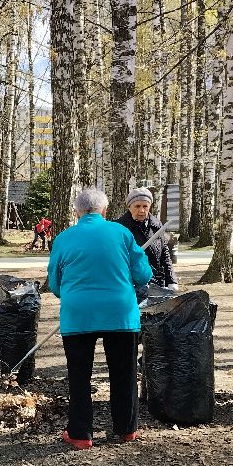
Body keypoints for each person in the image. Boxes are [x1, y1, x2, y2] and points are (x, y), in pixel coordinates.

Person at [47, 187, 152, 450]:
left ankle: (80, 434)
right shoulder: (122, 233)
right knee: (124, 372)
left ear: (77, 212)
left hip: (78, 314)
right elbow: (143, 275)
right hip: (120, 313)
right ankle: (126, 429)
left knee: (79, 376)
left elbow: (55, 283)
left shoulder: (63, 238)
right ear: (104, 210)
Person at [115, 188, 177, 296]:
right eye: (137, 206)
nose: (142, 210)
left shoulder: (157, 225)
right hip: (131, 287)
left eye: (145, 206)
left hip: (157, 284)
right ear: (129, 207)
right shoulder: (119, 228)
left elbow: (165, 255)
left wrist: (171, 280)